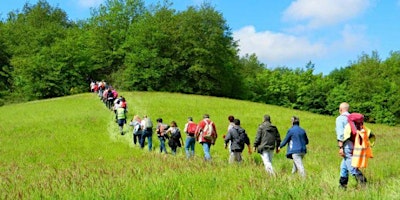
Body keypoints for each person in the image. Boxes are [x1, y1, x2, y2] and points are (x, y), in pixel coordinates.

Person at [336, 103, 368, 189]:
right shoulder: (353, 118)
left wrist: (340, 147)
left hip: (347, 145)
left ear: (340, 109)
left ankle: (363, 181)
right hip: (356, 144)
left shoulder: (340, 119)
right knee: (343, 166)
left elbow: (340, 135)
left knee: (351, 167)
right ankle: (342, 185)